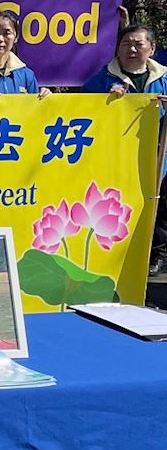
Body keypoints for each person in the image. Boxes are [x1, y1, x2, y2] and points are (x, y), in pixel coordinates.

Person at [82, 24, 167, 275]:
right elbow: (83, 113)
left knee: (159, 208)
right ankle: (117, 257)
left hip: (158, 155)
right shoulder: (102, 80)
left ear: (151, 49)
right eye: (125, 44)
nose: (131, 49)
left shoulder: (163, 79)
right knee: (119, 205)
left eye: (138, 44)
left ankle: (157, 255)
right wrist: (105, 102)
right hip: (117, 157)